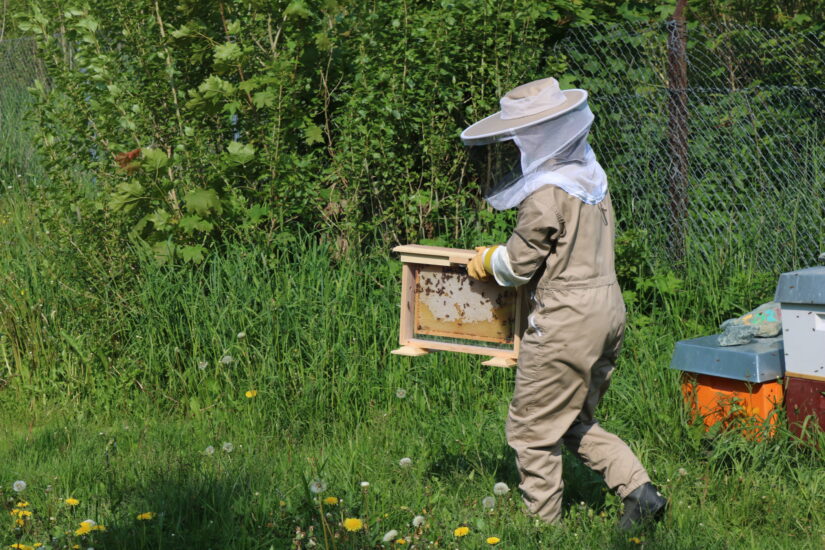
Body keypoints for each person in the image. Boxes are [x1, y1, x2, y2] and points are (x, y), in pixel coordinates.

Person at [461, 77, 667, 529]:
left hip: (566, 319)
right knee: (571, 419)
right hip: (607, 310)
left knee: (532, 429)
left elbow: (517, 265)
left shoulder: (547, 192)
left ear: (533, 137)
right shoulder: (590, 176)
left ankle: (543, 529)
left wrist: (486, 259)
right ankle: (640, 492)